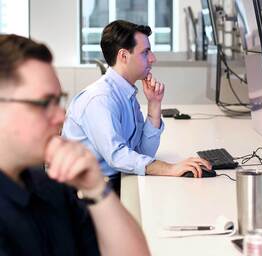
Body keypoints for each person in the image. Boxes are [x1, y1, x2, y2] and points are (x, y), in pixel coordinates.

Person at [0, 34, 150, 256]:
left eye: (58, 100)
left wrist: (96, 189)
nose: (61, 116)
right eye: (44, 103)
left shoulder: (49, 187)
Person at [62, 20, 211, 191]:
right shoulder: (100, 99)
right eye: (145, 52)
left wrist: (154, 105)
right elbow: (117, 156)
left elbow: (142, 153)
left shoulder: (126, 93)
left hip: (113, 182)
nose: (153, 58)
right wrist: (170, 168)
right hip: (85, 195)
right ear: (124, 56)